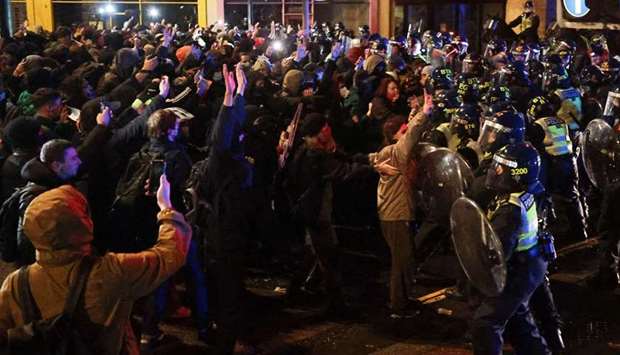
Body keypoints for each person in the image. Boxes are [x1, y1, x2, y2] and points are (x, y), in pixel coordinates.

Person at [0, 174, 192, 354]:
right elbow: (169, 254)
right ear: (81, 224)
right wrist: (165, 206)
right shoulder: (111, 272)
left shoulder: (15, 283)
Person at [472, 141, 549, 355]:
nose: (494, 171)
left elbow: (498, 253)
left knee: (485, 324)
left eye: (500, 167)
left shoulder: (509, 211)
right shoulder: (521, 194)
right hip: (529, 264)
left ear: (516, 174)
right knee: (518, 321)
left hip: (518, 269)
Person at [369, 96, 430, 318]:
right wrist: (425, 112)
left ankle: (402, 299)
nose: (406, 134)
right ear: (394, 135)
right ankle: (398, 306)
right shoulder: (394, 153)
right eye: (402, 131)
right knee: (401, 261)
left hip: (398, 213)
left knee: (404, 260)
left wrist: (415, 113)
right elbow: (411, 136)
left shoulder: (393, 154)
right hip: (395, 215)